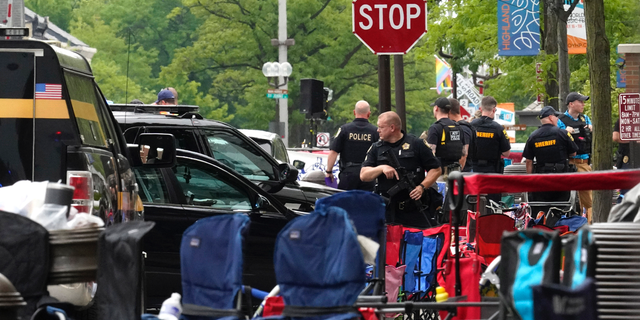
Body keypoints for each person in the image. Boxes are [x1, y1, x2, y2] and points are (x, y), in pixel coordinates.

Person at [361, 111, 442, 227]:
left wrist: (422, 187)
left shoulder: (416, 144)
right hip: (387, 209)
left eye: (381, 127)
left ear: (392, 128)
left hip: (413, 209)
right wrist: (381, 168)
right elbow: (363, 175)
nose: (377, 130)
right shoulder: (376, 148)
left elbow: (436, 169)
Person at [523, 106, 578, 202]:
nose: (557, 119)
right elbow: (573, 153)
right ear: (550, 117)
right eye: (556, 116)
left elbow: (528, 161)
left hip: (541, 179)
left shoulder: (533, 136)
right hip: (561, 178)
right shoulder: (563, 134)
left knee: (542, 207)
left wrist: (530, 179)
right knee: (562, 207)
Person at [326, 100, 379, 191]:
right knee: (366, 203)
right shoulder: (375, 131)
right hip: (368, 174)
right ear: (369, 114)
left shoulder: (344, 130)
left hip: (348, 174)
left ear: (354, 112)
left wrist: (329, 171)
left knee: (346, 203)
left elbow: (333, 152)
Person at [557, 92, 592, 221]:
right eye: (580, 102)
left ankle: (589, 225)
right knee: (568, 199)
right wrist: (564, 132)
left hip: (584, 162)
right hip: (569, 163)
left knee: (588, 199)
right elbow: (557, 140)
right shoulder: (560, 121)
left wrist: (592, 129)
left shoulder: (585, 119)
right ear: (571, 104)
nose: (583, 104)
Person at [470, 96, 511, 205]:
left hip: (473, 170)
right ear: (494, 110)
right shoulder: (498, 128)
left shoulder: (471, 126)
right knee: (493, 203)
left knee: (473, 201)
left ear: (480, 108)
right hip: (492, 171)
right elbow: (507, 153)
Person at [426, 97, 466, 177]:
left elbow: (430, 154)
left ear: (436, 108)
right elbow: (464, 152)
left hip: (440, 173)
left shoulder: (435, 128)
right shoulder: (458, 126)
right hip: (456, 173)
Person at [449, 98, 474, 172]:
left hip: (464, 172)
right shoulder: (462, 127)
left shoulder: (463, 128)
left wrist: (457, 172)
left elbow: (464, 155)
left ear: (449, 112)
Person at [613, 118, 630, 203]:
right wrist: (633, 141)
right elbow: (615, 137)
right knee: (626, 190)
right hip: (627, 159)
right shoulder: (624, 118)